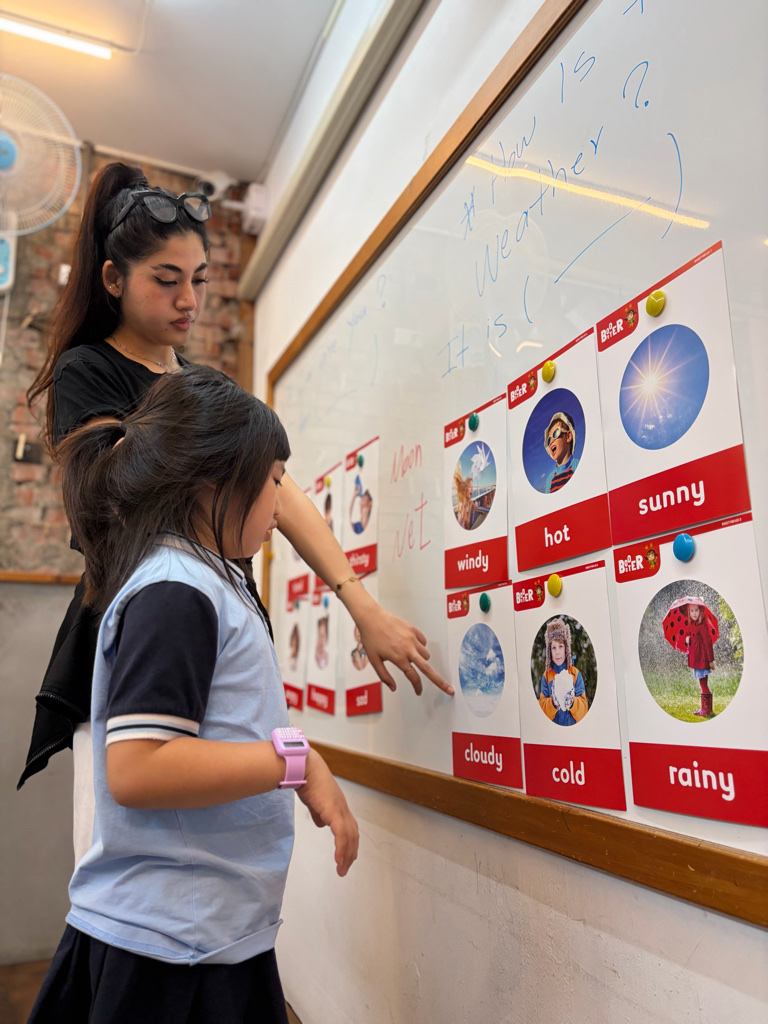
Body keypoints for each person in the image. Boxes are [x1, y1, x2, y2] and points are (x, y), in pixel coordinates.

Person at [19, 163, 453, 792]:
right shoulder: (89, 370)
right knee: (142, 810)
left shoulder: (198, 383)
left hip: (216, 614)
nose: (189, 301)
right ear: (113, 279)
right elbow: (109, 498)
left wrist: (360, 604)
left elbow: (282, 491)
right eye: (166, 280)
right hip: (147, 626)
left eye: (198, 279)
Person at [26, 365, 359, 1024]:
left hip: (210, 934)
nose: (280, 505)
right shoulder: (176, 590)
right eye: (273, 481)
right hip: (167, 951)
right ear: (214, 483)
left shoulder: (209, 579)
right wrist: (296, 762)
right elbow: (139, 767)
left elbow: (223, 728)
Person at [538, 617, 588, 726]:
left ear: (566, 648)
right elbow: (542, 710)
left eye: (560, 646)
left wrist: (572, 702)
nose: (557, 652)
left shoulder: (575, 674)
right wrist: (553, 703)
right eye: (553, 648)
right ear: (549, 651)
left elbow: (583, 711)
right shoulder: (546, 676)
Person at [683, 601, 716, 717]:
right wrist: (687, 640)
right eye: (691, 611)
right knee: (702, 683)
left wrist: (710, 660)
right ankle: (705, 708)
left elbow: (708, 642)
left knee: (703, 684)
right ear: (689, 612)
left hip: (702, 659)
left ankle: (706, 710)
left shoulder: (702, 625)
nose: (694, 613)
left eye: (696, 610)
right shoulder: (691, 624)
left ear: (700, 611)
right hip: (696, 659)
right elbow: (692, 639)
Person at [543, 411, 579, 493]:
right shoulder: (550, 479)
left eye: (555, 433)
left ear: (568, 436)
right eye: (549, 440)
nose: (551, 441)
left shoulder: (578, 466)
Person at [453, 465, 478, 529]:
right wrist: (470, 507)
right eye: (470, 487)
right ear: (465, 489)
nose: (472, 489)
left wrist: (474, 506)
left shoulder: (466, 501)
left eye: (472, 487)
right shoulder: (462, 503)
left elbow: (473, 507)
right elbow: (467, 522)